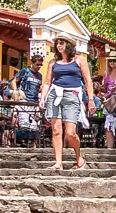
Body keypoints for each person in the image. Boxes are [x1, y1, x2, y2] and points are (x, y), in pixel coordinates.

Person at [38, 38, 94, 170]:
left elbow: (88, 80)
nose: (59, 46)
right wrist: (42, 97)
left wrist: (90, 99)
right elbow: (47, 82)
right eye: (57, 43)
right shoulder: (53, 62)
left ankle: (79, 157)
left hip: (72, 95)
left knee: (70, 133)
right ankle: (58, 162)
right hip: (55, 94)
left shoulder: (79, 60)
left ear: (69, 45)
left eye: (61, 43)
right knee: (56, 131)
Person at [99, 57, 116, 148]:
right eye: (110, 60)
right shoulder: (107, 74)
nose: (112, 62)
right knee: (109, 126)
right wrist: (99, 87)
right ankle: (109, 149)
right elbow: (105, 89)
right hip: (109, 103)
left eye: (115, 61)